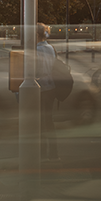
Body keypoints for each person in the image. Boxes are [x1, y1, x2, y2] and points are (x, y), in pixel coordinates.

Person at [35, 23, 60, 161]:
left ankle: (43, 154)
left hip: (39, 88)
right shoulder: (51, 48)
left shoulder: (35, 50)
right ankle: (54, 154)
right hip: (51, 87)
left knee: (39, 123)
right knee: (49, 121)